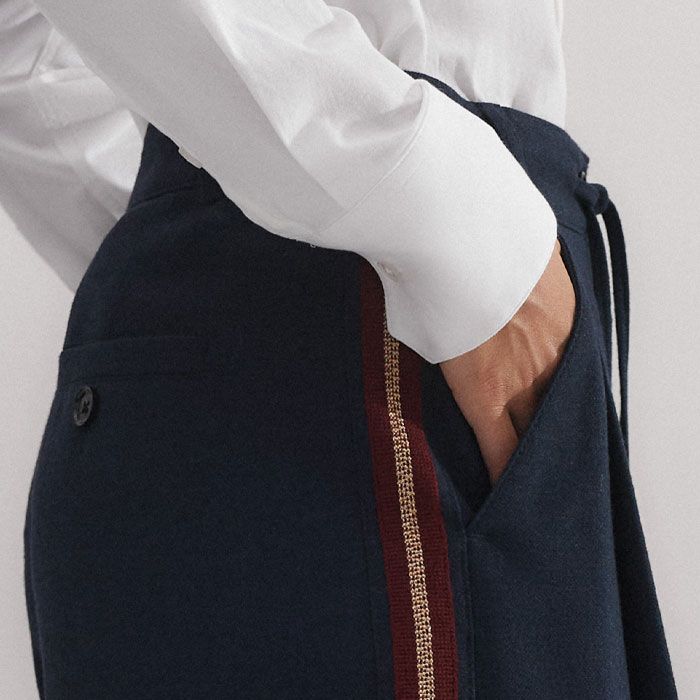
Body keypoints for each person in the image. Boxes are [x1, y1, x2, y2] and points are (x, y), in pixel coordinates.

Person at [2, 1, 677, 697]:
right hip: (400, 331)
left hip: (362, 325)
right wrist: (456, 229)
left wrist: (198, 261)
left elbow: (21, 55)